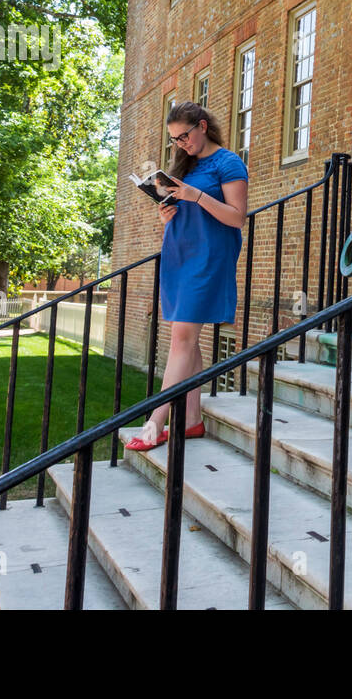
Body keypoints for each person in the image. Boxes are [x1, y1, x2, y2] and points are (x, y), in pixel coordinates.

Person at [125, 100, 249, 450]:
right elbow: (185, 208)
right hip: (178, 251)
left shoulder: (229, 162)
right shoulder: (186, 164)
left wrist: (195, 196)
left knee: (181, 339)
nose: (181, 144)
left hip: (209, 258)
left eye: (185, 136)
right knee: (186, 338)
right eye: (175, 140)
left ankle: (154, 423)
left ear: (203, 126)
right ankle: (192, 420)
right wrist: (167, 214)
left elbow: (237, 217)